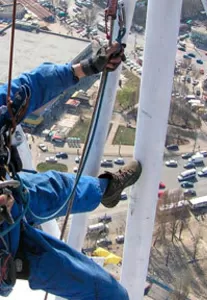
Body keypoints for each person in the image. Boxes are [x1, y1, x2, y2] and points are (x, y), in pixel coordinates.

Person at [0, 42, 141, 299]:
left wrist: (84, 68)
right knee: (108, 293)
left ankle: (107, 189)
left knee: (59, 187)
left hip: (16, 194)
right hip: (10, 247)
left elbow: (29, 88)